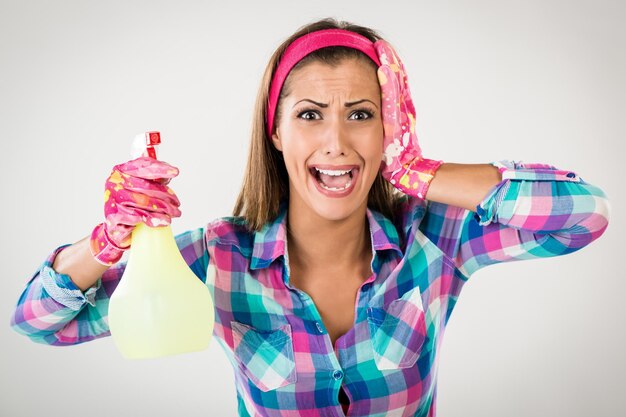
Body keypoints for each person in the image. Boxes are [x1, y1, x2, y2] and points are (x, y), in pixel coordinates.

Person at [10, 18, 610, 417]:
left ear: (389, 127)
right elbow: (41, 324)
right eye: (310, 115)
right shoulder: (216, 259)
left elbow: (584, 215)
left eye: (360, 114)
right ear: (274, 130)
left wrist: (420, 171)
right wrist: (107, 240)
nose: (335, 144)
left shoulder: (437, 238)